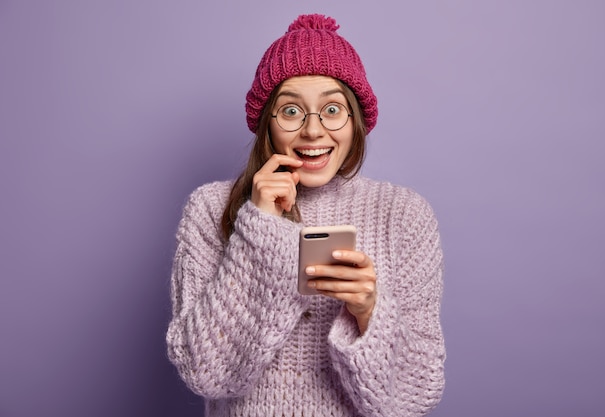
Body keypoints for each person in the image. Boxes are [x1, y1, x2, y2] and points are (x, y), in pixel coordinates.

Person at [166, 14, 445, 417]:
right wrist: (257, 230)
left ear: (356, 121)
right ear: (267, 124)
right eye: (292, 111)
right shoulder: (210, 208)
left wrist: (369, 311)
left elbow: (411, 401)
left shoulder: (403, 216)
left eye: (332, 109)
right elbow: (206, 373)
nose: (313, 131)